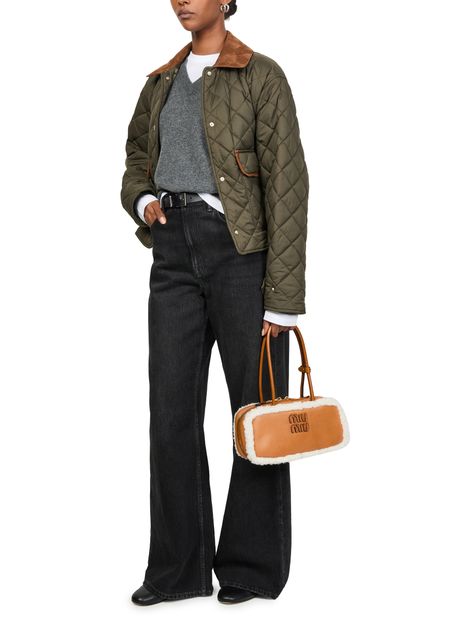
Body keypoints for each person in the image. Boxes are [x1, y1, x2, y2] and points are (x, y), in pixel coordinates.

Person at [120, 0, 309, 606]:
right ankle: (178, 569)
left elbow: (288, 186)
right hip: (171, 252)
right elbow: (136, 160)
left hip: (241, 254)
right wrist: (143, 198)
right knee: (171, 411)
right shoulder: (160, 82)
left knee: (256, 410)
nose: (182, 0)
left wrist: (283, 300)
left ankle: (250, 567)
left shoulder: (261, 75)